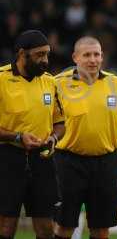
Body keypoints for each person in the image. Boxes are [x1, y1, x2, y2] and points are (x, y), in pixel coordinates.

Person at [53, 36, 117, 239]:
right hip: (67, 163)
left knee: (101, 231)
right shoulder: (57, 84)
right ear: (75, 57)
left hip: (105, 164)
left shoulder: (116, 84)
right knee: (64, 227)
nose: (93, 59)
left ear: (102, 56)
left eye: (97, 54)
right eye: (87, 55)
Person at [0, 30, 65, 239]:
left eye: (47, 54)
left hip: (42, 160)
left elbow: (60, 123)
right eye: (39, 55)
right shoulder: (1, 79)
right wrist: (17, 137)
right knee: (6, 227)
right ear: (22, 54)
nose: (45, 60)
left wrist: (53, 138)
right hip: (7, 158)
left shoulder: (49, 81)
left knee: (46, 229)